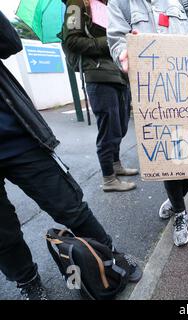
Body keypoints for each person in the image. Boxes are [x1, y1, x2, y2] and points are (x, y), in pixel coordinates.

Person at [0, 11, 142, 300]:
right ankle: (28, 281)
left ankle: (109, 254)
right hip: (98, 76)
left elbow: (9, 43)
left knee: (69, 205)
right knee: (2, 232)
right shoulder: (78, 8)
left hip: (15, 136)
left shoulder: (98, 9)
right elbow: (76, 41)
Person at [107, 0, 188, 247]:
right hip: (155, 96)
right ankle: (181, 212)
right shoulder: (121, 2)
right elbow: (117, 39)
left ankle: (175, 201)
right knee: (168, 160)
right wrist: (123, 53)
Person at [62, 0, 139, 193]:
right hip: (98, 75)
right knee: (109, 128)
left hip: (119, 74)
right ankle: (108, 178)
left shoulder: (108, 5)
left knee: (120, 126)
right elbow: (71, 40)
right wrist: (109, 42)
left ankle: (115, 164)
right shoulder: (76, 4)